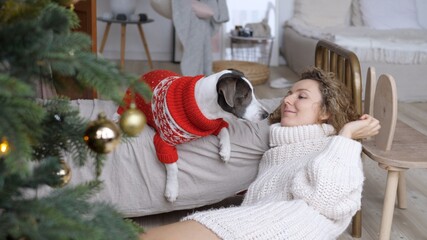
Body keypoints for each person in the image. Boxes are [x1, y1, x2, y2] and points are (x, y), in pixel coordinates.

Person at [140, 66, 380, 240]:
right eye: (289, 93)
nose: (288, 100)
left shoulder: (337, 148)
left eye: (302, 96)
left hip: (291, 223)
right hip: (259, 219)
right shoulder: (280, 148)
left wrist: (347, 135)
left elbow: (329, 203)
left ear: (326, 112)